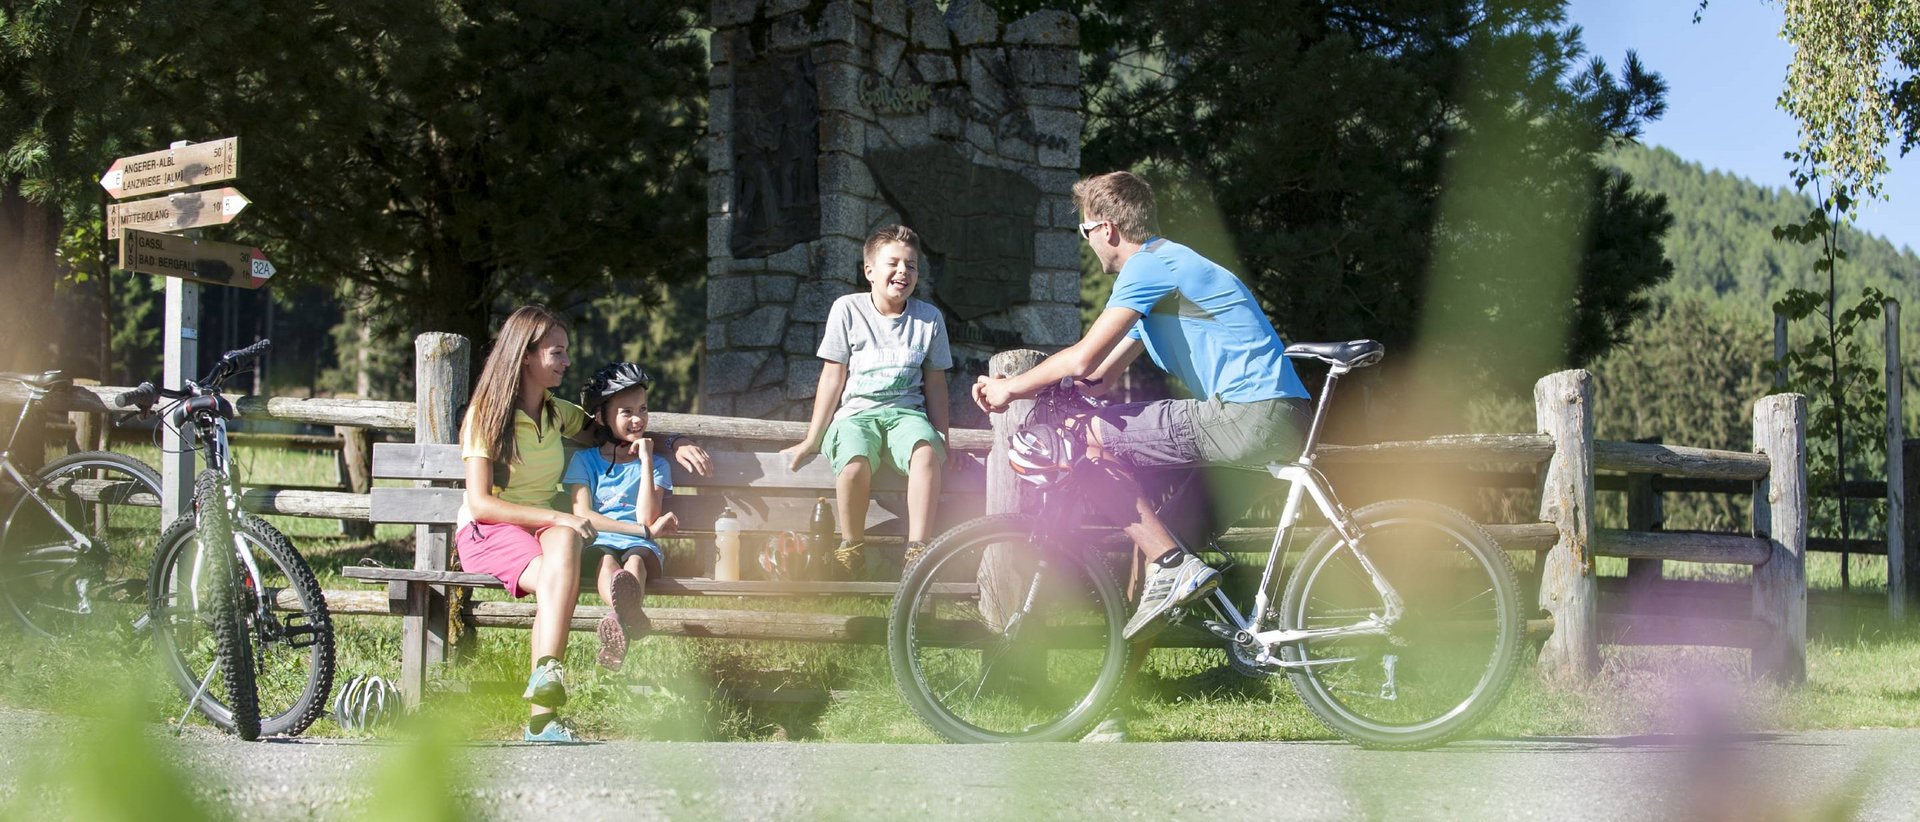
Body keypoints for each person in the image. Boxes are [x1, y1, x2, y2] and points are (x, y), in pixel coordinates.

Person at [971, 170, 1314, 644]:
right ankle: (1128, 693)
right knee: (1168, 530)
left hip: (1248, 413)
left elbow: (1082, 356)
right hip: (1274, 415)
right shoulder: (1164, 275)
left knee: (1086, 439)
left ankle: (1173, 566)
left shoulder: (1149, 268)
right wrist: (1034, 386)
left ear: (1106, 229)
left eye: (1084, 231)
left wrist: (1008, 391)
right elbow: (1099, 376)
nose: (1087, 243)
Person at [456, 306, 711, 742]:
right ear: (525, 356)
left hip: (542, 528)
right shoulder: (487, 415)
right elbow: (481, 504)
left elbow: (613, 429)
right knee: (561, 570)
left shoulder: (557, 412)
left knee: (566, 551)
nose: (567, 362)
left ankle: (544, 692)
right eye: (557, 353)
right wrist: (559, 516)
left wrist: (673, 441)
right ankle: (544, 706)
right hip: (493, 530)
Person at [781, 225, 953, 577]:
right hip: (856, 416)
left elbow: (936, 384)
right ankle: (852, 545)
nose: (903, 271)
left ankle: (917, 550)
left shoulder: (929, 319)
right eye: (894, 262)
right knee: (855, 464)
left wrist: (942, 438)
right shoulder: (847, 309)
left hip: (906, 415)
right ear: (869, 271)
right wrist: (813, 439)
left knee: (924, 454)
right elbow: (832, 377)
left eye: (912, 265)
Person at [565, 362, 680, 672]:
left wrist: (645, 459)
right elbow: (583, 514)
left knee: (636, 562)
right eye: (626, 411)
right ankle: (629, 615)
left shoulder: (657, 465)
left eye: (642, 409)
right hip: (600, 541)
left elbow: (647, 514)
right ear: (602, 416)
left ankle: (618, 619)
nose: (637, 419)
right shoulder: (585, 461)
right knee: (605, 561)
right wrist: (645, 531)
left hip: (642, 546)